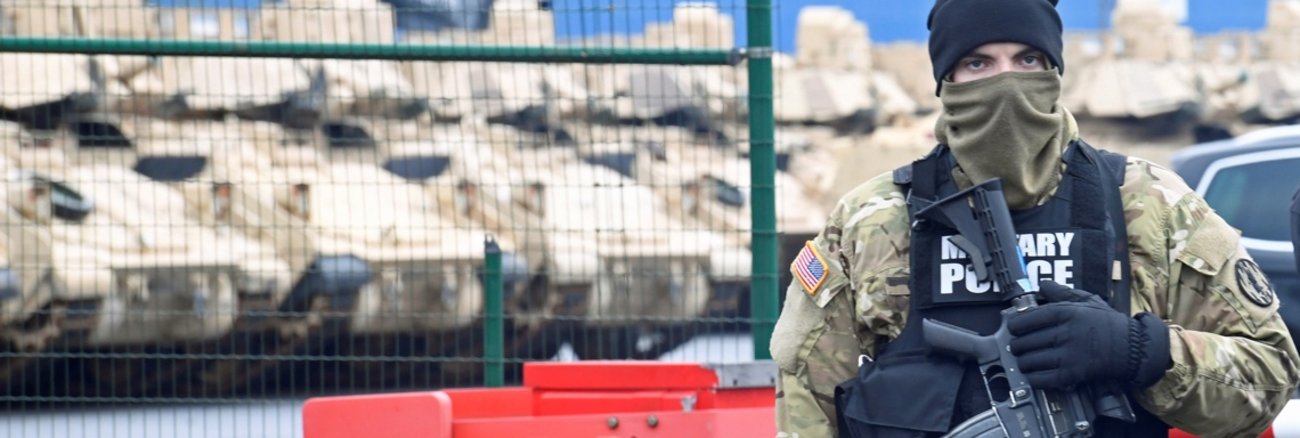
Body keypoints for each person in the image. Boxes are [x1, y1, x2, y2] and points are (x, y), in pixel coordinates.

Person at [770, 0, 1300, 436]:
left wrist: (1141, 351)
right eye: (979, 63)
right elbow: (805, 396)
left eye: (1027, 60)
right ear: (947, 80)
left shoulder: (1151, 205)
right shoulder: (870, 220)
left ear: (1053, 71)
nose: (1007, 82)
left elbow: (1271, 378)